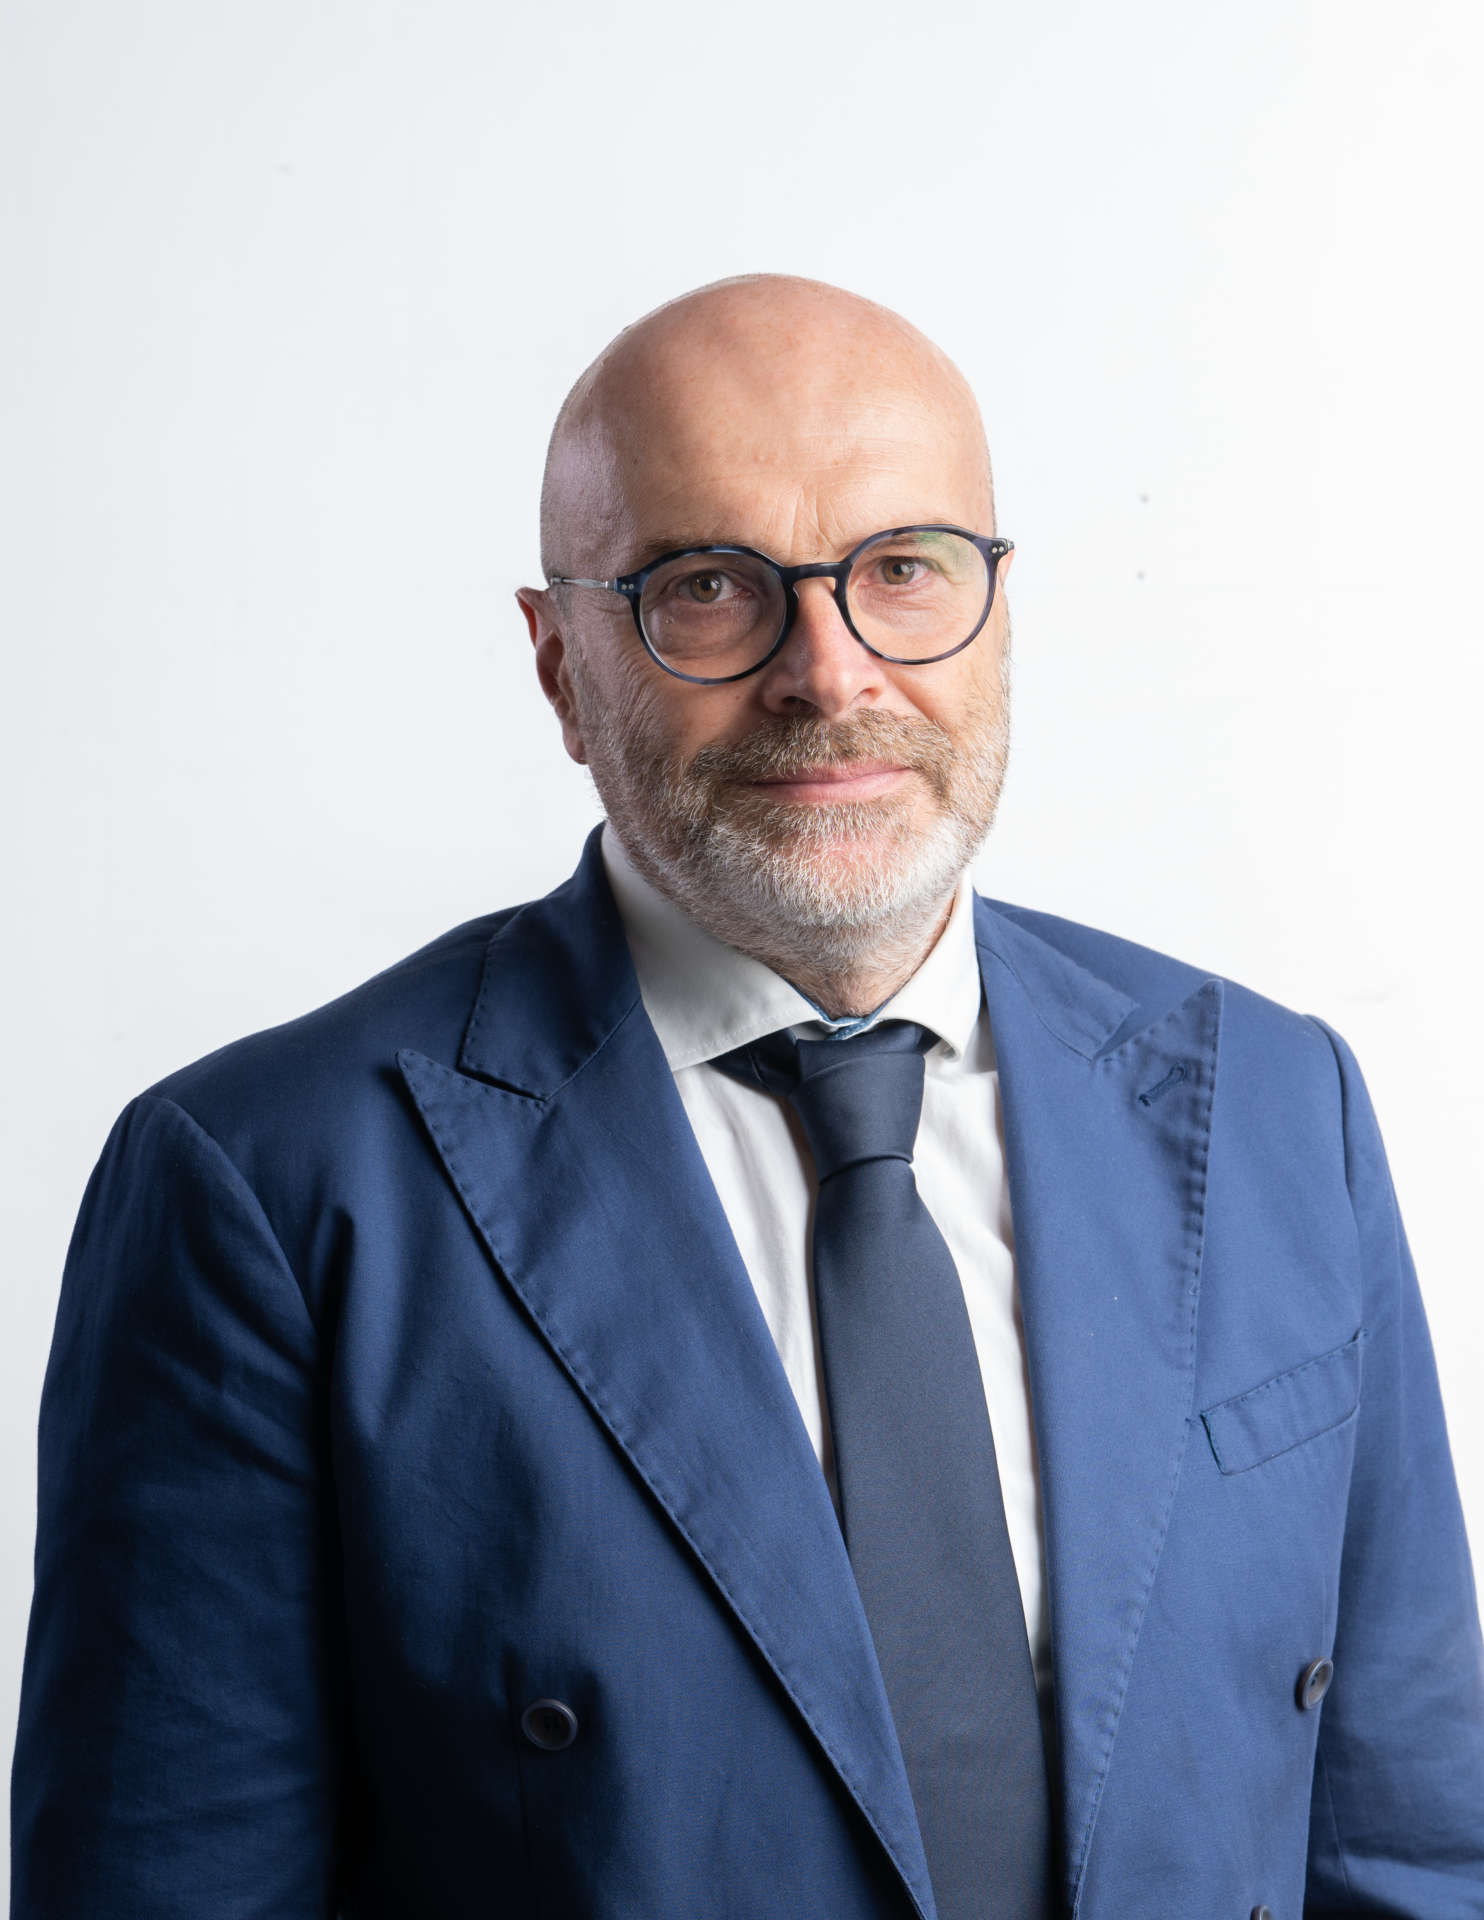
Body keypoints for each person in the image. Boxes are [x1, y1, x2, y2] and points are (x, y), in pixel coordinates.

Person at [11, 273, 1484, 1920]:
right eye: (709, 589)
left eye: (904, 569)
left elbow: (1413, 1852)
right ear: (560, 664)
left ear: (999, 613)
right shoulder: (273, 1185)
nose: (830, 675)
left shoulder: (1279, 1108)